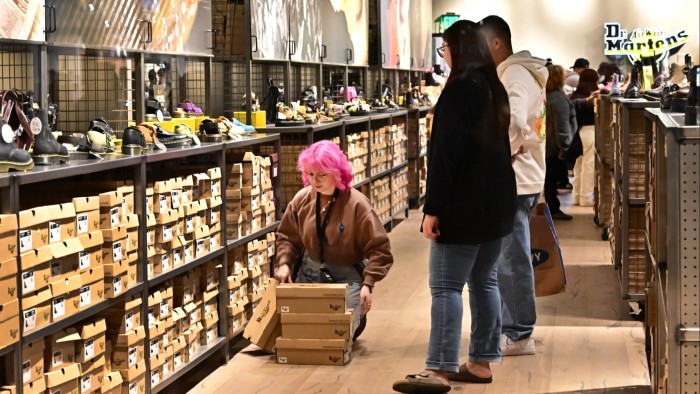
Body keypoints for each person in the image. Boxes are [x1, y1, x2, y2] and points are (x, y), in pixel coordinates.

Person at [392, 20, 516, 393]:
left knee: (446, 286)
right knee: (484, 281)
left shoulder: (460, 89)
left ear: (458, 51)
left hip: (463, 204)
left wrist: (433, 208)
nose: (444, 56)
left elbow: (445, 155)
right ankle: (480, 362)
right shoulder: (494, 87)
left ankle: (440, 368)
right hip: (496, 204)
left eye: (445, 49)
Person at [274, 140, 393, 340]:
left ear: (337, 172)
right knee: (298, 336)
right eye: (311, 174)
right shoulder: (301, 199)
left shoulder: (357, 204)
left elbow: (380, 250)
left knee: (336, 336)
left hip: (347, 277)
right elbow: (287, 237)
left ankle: (356, 318)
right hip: (309, 273)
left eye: (322, 174)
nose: (315, 180)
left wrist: (368, 284)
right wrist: (285, 263)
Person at [479, 15, 548, 356]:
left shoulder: (514, 74)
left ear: (496, 43)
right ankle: (514, 328)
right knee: (508, 257)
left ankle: (520, 333)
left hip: (516, 180)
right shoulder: (520, 72)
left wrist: (500, 153)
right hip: (523, 177)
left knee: (511, 259)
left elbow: (516, 121)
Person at [545, 64, 576, 220]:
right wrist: (564, 148)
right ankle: (553, 209)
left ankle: (552, 208)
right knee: (551, 179)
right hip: (555, 147)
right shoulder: (559, 98)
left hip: (547, 144)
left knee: (549, 179)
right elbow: (562, 126)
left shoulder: (548, 95)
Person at [570, 69, 600, 207]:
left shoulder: (574, 96)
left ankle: (576, 196)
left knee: (578, 165)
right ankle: (586, 198)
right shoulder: (593, 97)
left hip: (576, 134)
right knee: (589, 165)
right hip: (590, 132)